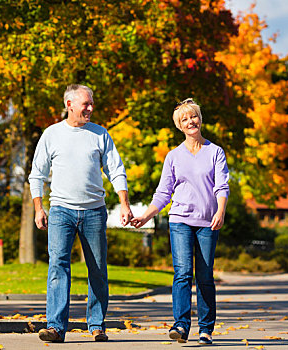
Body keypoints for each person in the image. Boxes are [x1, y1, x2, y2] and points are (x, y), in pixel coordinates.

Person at [29, 84, 133, 343]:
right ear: (69, 105)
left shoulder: (99, 134)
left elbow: (116, 169)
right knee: (58, 266)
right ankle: (55, 327)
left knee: (97, 269)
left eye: (91, 103)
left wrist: (125, 203)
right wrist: (38, 207)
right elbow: (37, 174)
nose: (90, 108)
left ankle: (97, 324)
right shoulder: (51, 134)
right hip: (61, 211)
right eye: (85, 103)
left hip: (94, 212)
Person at [131, 98, 229, 345]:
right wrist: (146, 215)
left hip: (208, 221)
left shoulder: (215, 152)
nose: (190, 122)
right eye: (184, 119)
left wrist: (220, 211)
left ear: (200, 119)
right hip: (180, 221)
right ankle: (181, 325)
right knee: (183, 273)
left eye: (193, 116)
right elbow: (163, 192)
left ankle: (205, 329)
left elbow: (222, 186)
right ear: (179, 126)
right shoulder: (173, 156)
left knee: (204, 276)